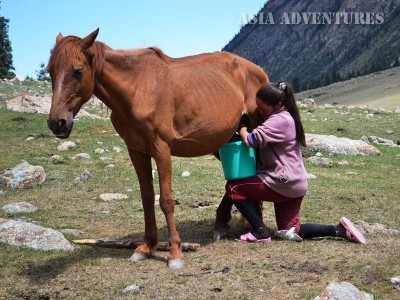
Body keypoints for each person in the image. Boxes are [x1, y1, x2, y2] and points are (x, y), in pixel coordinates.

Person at [213, 82, 366, 244]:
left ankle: (260, 232)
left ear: (278, 104)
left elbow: (250, 140)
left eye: (263, 109)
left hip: (281, 181)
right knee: (290, 230)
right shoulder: (287, 117)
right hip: (295, 184)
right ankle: (338, 230)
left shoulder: (280, 120)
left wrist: (242, 125)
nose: (260, 112)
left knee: (233, 187)